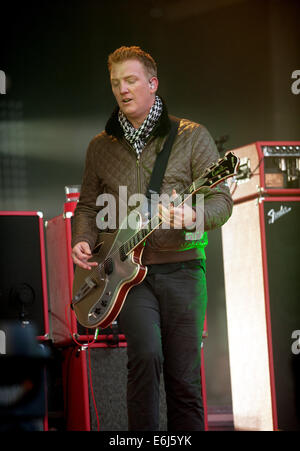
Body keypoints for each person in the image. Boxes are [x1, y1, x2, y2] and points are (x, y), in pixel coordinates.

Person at [71, 45, 233, 431]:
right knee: (143, 358)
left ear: (152, 84)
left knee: (184, 377)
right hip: (128, 279)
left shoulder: (192, 137)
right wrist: (82, 237)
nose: (123, 89)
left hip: (183, 270)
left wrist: (194, 214)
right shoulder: (100, 146)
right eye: (115, 83)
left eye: (130, 80)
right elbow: (89, 207)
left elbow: (222, 201)